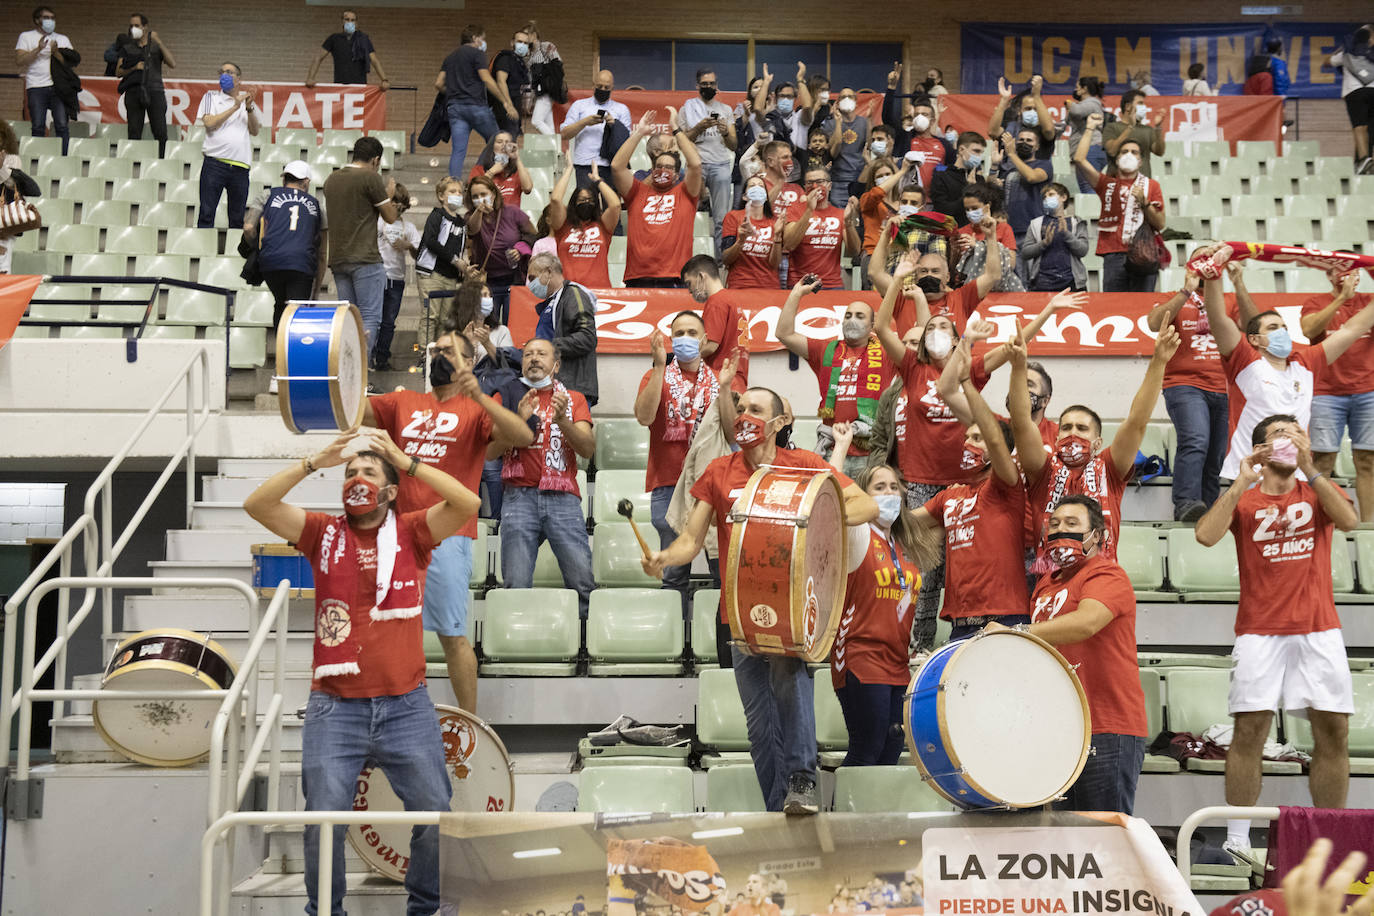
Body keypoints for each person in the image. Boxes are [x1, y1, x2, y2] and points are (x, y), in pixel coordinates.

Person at [242, 430, 481, 916]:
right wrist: (314, 462)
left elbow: (467, 501)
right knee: (322, 821)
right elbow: (257, 504)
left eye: (369, 472)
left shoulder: (413, 531)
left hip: (406, 705)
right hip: (335, 708)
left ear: (389, 491)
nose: (356, 477)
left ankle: (426, 909)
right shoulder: (319, 533)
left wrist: (403, 460)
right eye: (350, 472)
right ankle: (326, 911)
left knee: (436, 815)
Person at [644, 386, 878, 813]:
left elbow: (864, 506)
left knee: (791, 689)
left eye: (755, 409)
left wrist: (811, 513)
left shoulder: (805, 466)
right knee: (759, 727)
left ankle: (803, 781)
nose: (744, 416)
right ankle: (779, 810)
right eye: (740, 409)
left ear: (779, 422)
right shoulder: (718, 470)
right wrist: (664, 558)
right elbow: (691, 542)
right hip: (738, 616)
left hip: (789, 610)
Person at [1195, 414, 1358, 862]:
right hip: (1259, 631)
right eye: (1278, 435)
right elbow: (1205, 535)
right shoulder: (1245, 502)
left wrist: (1312, 467)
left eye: (1294, 433)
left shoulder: (1316, 490)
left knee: (1333, 730)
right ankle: (1237, 838)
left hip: (1319, 628)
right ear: (1262, 449)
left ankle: (1330, 836)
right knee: (1249, 730)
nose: (1288, 440)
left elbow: (1349, 521)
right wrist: (1240, 482)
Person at [363, 332, 531, 713]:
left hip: (449, 535)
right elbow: (350, 410)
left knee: (452, 636)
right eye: (435, 350)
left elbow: (522, 435)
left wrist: (478, 396)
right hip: (397, 535)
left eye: (449, 351)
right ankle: (384, 716)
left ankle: (472, 724)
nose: (439, 355)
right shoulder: (404, 401)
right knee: (388, 630)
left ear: (469, 363)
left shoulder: (476, 410)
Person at [1196, 247, 1374, 483]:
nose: (1282, 333)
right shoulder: (1243, 361)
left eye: (1284, 328)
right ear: (1254, 339)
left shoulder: (1306, 362)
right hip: (1251, 476)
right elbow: (1218, 317)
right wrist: (1213, 277)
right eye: (1272, 328)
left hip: (1297, 478)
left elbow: (1352, 329)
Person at [1016, 325, 1180, 565]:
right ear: (1057, 437)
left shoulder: (1110, 467)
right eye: (1067, 427)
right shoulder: (1043, 470)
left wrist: (1158, 362)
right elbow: (1022, 424)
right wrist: (1018, 367)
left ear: (1098, 442)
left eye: (1082, 429)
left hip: (1099, 576)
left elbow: (1137, 421)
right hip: (1050, 579)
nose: (1073, 433)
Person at [1025, 494, 1147, 814]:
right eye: (1054, 524)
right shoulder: (1044, 585)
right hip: (1059, 726)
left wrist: (1018, 633)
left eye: (1072, 524)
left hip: (1106, 726)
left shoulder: (1107, 574)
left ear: (1098, 535)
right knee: (1066, 846)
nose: (1060, 530)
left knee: (1103, 841)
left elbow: (1087, 622)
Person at [911, 336, 1030, 641]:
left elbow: (994, 437)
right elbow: (905, 522)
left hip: (1004, 619)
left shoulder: (1006, 487)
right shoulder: (950, 495)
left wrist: (967, 382)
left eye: (977, 438)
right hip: (960, 624)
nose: (968, 443)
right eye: (968, 437)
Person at [827, 463, 924, 766]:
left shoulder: (902, 545)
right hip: (860, 656)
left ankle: (877, 816)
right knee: (868, 746)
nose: (889, 494)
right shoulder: (858, 534)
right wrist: (840, 448)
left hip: (897, 662)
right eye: (879, 487)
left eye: (894, 487)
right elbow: (831, 498)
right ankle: (843, 815)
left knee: (890, 751)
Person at [494, 338, 597, 618]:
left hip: (562, 498)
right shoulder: (506, 395)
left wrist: (563, 420)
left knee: (582, 582)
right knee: (515, 583)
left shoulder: (573, 399)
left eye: (541, 354)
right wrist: (516, 421)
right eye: (528, 354)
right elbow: (488, 451)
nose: (534, 359)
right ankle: (513, 645)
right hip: (518, 498)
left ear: (557, 364)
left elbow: (587, 449)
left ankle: (585, 646)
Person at [636, 313, 720, 615]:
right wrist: (659, 365)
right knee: (673, 574)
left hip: (711, 486)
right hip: (667, 482)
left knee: (720, 568)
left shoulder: (720, 381)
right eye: (679, 333)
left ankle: (714, 644)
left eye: (692, 332)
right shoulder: (654, 375)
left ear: (705, 340)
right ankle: (676, 642)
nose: (685, 337)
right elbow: (644, 417)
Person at [777, 277, 895, 477]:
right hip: (831, 448)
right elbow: (784, 334)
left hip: (870, 451)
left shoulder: (887, 352)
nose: (852, 319)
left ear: (873, 324)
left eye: (859, 315)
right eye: (848, 315)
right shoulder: (827, 349)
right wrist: (797, 293)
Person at [1148, 270, 1229, 521]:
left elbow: (1250, 329)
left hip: (1224, 387)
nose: (1208, 267)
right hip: (1184, 384)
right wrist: (1186, 291)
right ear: (1190, 269)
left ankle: (1207, 509)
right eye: (1201, 260)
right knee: (1195, 439)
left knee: (1216, 454)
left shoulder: (1228, 300)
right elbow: (1153, 323)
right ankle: (1186, 503)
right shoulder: (1175, 297)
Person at [1304, 270, 1374, 520]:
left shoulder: (1369, 301)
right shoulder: (1315, 302)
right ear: (1328, 274)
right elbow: (1309, 330)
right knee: (1322, 463)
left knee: (1367, 462)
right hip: (1325, 392)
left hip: (1368, 390)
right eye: (1338, 270)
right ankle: (1317, 524)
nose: (1344, 275)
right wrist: (1341, 299)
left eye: (1351, 270)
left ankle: (1369, 528)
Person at [323, 136, 399, 364]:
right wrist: (390, 195)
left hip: (338, 259)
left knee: (348, 319)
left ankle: (346, 372)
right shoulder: (370, 177)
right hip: (365, 259)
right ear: (376, 159)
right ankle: (360, 377)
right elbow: (391, 217)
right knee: (369, 318)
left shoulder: (331, 179)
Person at [612, 108, 703, 288]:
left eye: (669, 168)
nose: (663, 170)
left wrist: (676, 129)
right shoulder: (637, 192)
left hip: (675, 277)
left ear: (678, 175)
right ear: (652, 170)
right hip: (637, 277)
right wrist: (639, 132)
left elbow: (696, 164)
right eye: (659, 166)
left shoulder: (686, 194)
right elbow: (616, 166)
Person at [1073, 115, 1165, 293]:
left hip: (1143, 252)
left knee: (1142, 308)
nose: (1129, 155)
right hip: (1113, 254)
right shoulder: (1106, 183)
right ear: (1116, 159)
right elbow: (1079, 160)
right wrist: (1090, 128)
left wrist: (1145, 203)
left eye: (1134, 152)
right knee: (1113, 307)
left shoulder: (1152, 186)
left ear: (1140, 161)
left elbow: (1160, 223)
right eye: (1124, 152)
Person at [250, 159, 327, 333]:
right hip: (301, 263)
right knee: (297, 311)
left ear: (284, 179)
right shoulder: (317, 205)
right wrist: (315, 292)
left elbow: (248, 228)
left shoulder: (267, 195)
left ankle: (280, 353)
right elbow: (322, 254)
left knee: (280, 303)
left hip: (271, 261)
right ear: (306, 182)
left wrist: (254, 247)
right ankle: (292, 356)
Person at [437, 25, 511, 178]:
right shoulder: (477, 54)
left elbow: (438, 83)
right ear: (475, 38)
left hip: (455, 108)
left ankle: (454, 185)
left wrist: (452, 92)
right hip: (476, 106)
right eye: (482, 39)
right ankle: (493, 176)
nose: (483, 42)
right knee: (498, 141)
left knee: (458, 150)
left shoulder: (450, 57)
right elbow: (486, 79)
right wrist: (503, 100)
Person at [525, 252, 599, 408]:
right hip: (551, 388)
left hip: (572, 389)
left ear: (548, 272)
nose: (529, 284)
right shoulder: (553, 301)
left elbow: (587, 338)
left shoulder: (573, 294)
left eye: (532, 278)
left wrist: (548, 347)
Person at [678, 68, 738, 254]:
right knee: (686, 216)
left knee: (721, 218)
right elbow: (683, 141)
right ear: (698, 86)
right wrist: (698, 127)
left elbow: (734, 145)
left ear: (717, 85)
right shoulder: (686, 108)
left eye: (712, 83)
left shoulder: (725, 110)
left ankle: (720, 262)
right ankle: (684, 257)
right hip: (696, 165)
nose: (709, 87)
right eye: (705, 84)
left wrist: (725, 131)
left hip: (720, 165)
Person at [196, 62, 261, 229]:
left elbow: (254, 131)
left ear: (239, 79)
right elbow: (210, 123)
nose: (224, 75)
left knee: (237, 218)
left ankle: (234, 254)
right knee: (206, 214)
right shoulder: (211, 98)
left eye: (229, 72)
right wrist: (235, 107)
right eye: (222, 72)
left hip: (240, 168)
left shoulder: (247, 103)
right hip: (214, 164)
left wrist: (248, 108)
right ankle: (203, 253)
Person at [466, 174, 535, 325]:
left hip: (515, 279)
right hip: (487, 281)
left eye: (483, 194)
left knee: (514, 324)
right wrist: (478, 211)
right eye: (475, 196)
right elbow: (472, 229)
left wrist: (520, 249)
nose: (480, 198)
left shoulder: (512, 212)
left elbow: (532, 235)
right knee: (490, 325)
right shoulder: (471, 216)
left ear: (493, 193)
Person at [782, 166, 861, 291]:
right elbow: (789, 244)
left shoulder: (840, 214)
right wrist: (809, 210)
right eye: (809, 183)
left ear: (829, 185)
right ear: (804, 188)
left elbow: (854, 252)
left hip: (832, 284)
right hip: (799, 284)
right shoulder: (795, 210)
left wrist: (848, 223)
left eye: (819, 182)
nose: (814, 186)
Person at [681, 254, 751, 394]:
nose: (689, 290)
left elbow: (711, 346)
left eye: (690, 283)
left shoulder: (716, 302)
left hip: (721, 378)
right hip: (736, 378)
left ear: (701, 276)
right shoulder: (730, 299)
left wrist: (683, 358)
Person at [546, 161, 620, 289]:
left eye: (590, 200)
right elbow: (556, 199)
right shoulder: (563, 226)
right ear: (574, 204)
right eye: (581, 200)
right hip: (568, 292)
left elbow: (615, 205)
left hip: (600, 292)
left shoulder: (603, 226)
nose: (586, 202)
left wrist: (597, 180)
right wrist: (569, 169)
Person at [416, 176, 471, 336]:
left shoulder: (461, 222)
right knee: (430, 317)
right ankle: (422, 353)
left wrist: (463, 267)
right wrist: (455, 260)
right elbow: (430, 241)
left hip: (450, 276)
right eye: (452, 191)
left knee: (446, 318)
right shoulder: (437, 215)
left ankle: (442, 353)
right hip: (431, 274)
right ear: (441, 196)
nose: (457, 194)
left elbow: (460, 248)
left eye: (460, 192)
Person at [15, 6, 74, 154]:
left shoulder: (62, 38)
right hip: (36, 87)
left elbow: (70, 63)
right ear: (37, 20)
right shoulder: (26, 36)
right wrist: (38, 49)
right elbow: (20, 60)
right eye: (46, 18)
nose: (50, 21)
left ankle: (64, 158)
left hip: (58, 87)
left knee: (61, 125)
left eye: (52, 18)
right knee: (38, 125)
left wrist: (56, 52)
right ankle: (37, 157)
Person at [114, 14, 174, 158]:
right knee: (134, 131)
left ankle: (162, 161)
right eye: (131, 26)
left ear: (145, 27)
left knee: (160, 131)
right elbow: (118, 72)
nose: (133, 28)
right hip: (134, 91)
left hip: (155, 91)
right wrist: (134, 68)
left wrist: (158, 42)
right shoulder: (127, 47)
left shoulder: (155, 46)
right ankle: (134, 163)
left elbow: (172, 63)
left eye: (136, 25)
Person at [560, 70, 632, 189]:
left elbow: (628, 141)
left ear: (612, 88)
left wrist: (615, 125)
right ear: (593, 86)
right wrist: (585, 122)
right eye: (599, 86)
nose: (602, 89)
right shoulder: (579, 106)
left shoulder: (621, 109)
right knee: (586, 205)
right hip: (584, 165)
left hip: (611, 166)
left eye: (606, 87)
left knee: (611, 206)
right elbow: (564, 134)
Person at [374, 183, 418, 372]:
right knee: (373, 318)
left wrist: (408, 245)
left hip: (396, 278)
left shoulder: (408, 226)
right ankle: (369, 355)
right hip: (376, 275)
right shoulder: (377, 222)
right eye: (392, 201)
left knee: (389, 321)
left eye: (399, 202)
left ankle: (382, 358)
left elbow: (418, 253)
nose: (395, 206)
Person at [1019, 183, 1088, 292]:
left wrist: (1066, 234)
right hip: (1042, 284)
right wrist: (1044, 243)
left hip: (1071, 283)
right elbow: (1025, 253)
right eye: (1044, 197)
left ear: (1064, 197)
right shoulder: (1036, 224)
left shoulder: (1077, 222)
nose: (1047, 199)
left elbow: (1083, 250)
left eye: (1051, 194)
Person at [721, 174, 784, 290]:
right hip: (740, 285)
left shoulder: (775, 222)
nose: (757, 188)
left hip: (769, 287)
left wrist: (777, 237)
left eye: (761, 186)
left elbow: (774, 264)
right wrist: (741, 241)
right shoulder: (733, 217)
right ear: (744, 196)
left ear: (766, 197)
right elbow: (726, 259)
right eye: (752, 186)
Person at [1326, 26, 1374, 175]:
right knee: (1370, 129)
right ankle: (1363, 161)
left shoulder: (1346, 54)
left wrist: (1340, 48)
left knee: (1359, 127)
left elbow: (1327, 62)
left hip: (1354, 92)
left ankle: (1364, 159)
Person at [306, 9, 389, 89]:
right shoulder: (334, 39)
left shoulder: (363, 39)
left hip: (359, 87)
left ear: (356, 23)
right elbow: (318, 58)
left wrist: (384, 80)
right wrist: (310, 78)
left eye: (353, 20)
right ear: (342, 21)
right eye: (347, 19)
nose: (350, 22)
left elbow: (374, 60)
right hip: (340, 87)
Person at [996, 127, 1052, 245]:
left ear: (1037, 146)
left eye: (1029, 140)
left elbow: (1031, 177)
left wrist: (1012, 154)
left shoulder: (1044, 164)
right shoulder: (1009, 169)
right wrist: (993, 167)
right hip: (1010, 228)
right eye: (1021, 140)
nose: (1024, 143)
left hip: (1033, 227)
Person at [987, 76, 1057, 160]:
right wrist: (1004, 100)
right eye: (1028, 108)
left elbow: (1049, 130)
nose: (1032, 112)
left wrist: (1036, 96)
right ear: (1020, 111)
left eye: (1036, 109)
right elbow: (992, 132)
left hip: (1035, 172)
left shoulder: (1044, 129)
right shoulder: (1011, 127)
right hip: (1009, 171)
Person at [1101, 89, 1166, 177]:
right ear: (1128, 106)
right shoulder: (1112, 127)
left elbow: (1159, 152)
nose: (1144, 107)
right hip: (1116, 184)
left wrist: (1158, 127)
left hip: (1142, 185)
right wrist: (1130, 127)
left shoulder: (1148, 130)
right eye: (1140, 103)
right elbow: (1112, 151)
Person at [930, 132, 987, 226]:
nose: (979, 156)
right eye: (976, 151)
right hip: (950, 232)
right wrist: (968, 189)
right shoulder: (942, 176)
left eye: (981, 153)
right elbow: (943, 210)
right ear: (961, 150)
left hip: (976, 233)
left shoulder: (979, 179)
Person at [1066, 76, 1106, 194]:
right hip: (1087, 150)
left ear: (1085, 89)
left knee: (1088, 187)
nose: (1075, 90)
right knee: (1087, 187)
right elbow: (1069, 120)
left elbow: (1077, 111)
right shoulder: (1085, 104)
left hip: (1090, 149)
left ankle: (1092, 212)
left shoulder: (1092, 103)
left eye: (1077, 87)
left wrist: (1069, 104)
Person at [469, 131, 532, 206]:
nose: (504, 145)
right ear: (492, 146)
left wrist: (517, 158)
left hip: (510, 215)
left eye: (507, 142)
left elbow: (527, 188)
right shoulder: (479, 169)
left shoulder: (518, 171)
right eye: (499, 142)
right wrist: (492, 171)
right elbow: (473, 190)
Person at [488, 28, 530, 136]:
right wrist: (509, 106)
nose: (523, 45)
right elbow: (501, 81)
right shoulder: (505, 58)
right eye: (520, 42)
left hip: (515, 102)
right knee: (506, 137)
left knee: (512, 136)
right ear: (512, 43)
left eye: (526, 43)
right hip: (504, 105)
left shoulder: (518, 62)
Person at [524, 22, 562, 136]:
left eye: (527, 35)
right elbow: (530, 78)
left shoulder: (546, 46)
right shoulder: (528, 54)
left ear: (534, 35)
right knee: (548, 124)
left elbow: (558, 64)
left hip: (549, 89)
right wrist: (529, 100)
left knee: (536, 121)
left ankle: (557, 145)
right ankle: (556, 151)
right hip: (538, 91)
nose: (525, 39)